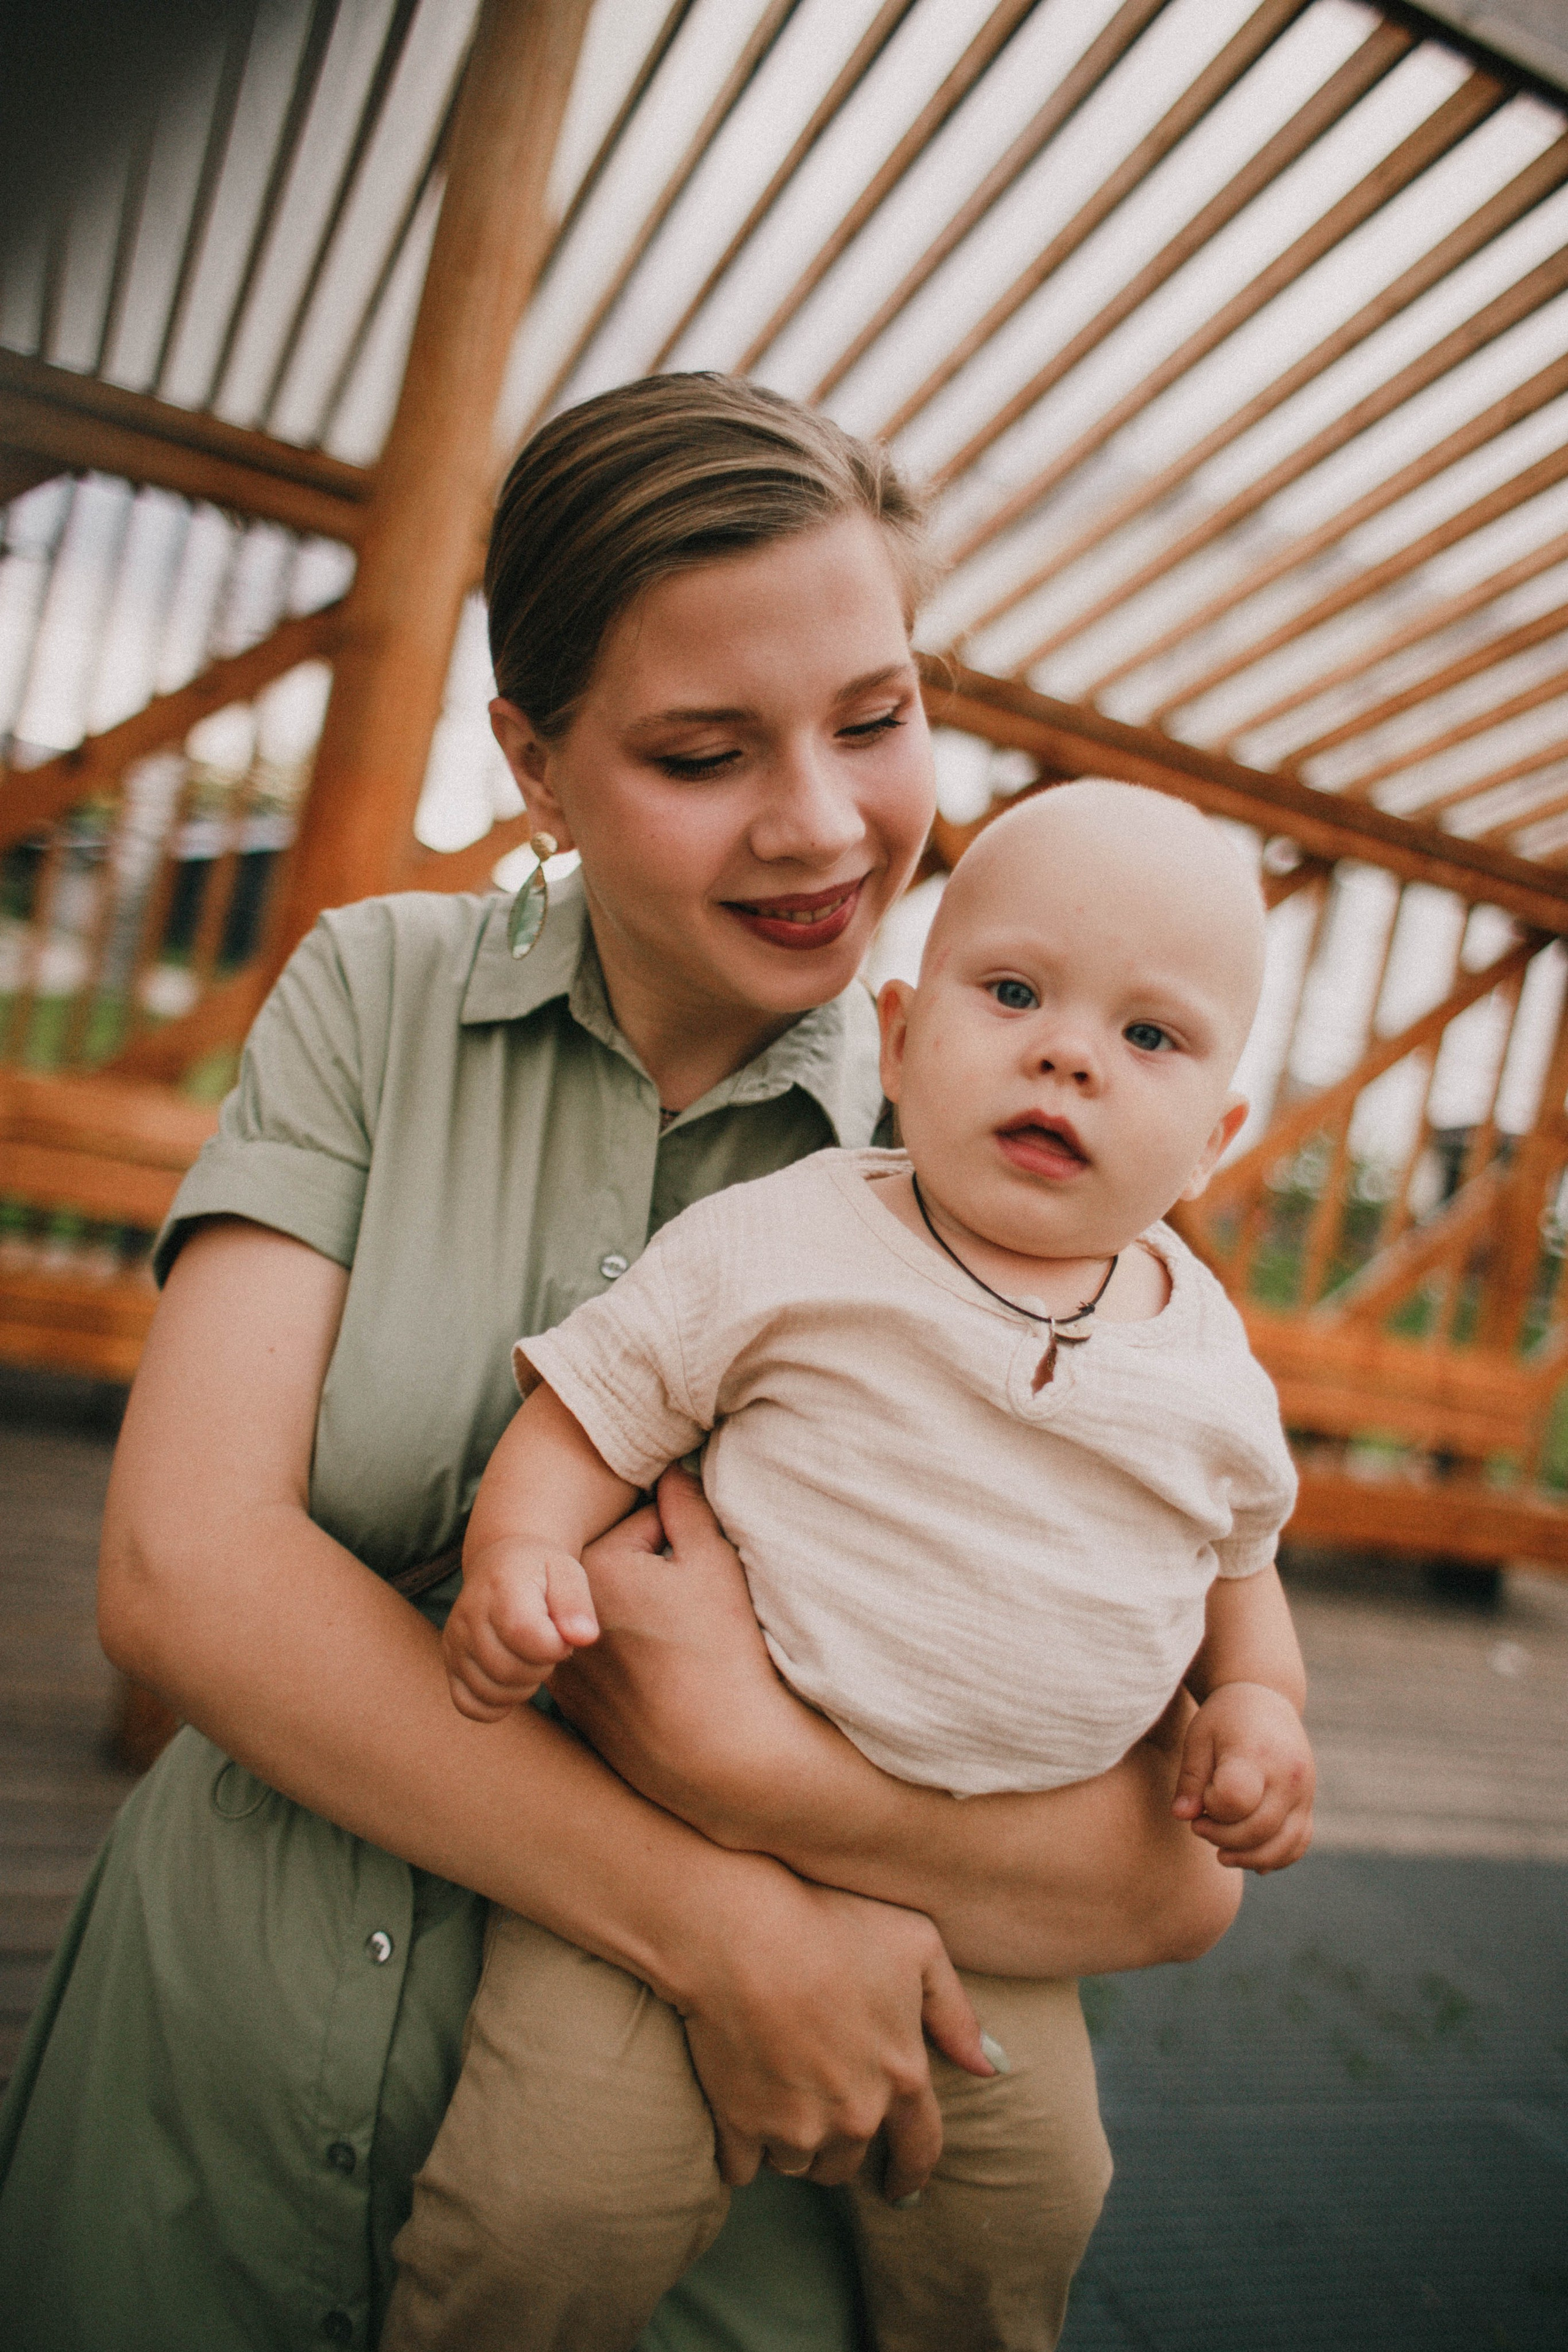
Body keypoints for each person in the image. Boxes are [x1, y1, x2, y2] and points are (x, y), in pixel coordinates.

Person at [0, 376, 1241, 2352]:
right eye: (697, 750)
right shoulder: (376, 994)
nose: (825, 822)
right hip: (200, 2135)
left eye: (878, 714)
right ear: (537, 761)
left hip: (710, 2242)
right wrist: (724, 1912)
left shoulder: (1023, 1168)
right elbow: (178, 1578)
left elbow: (1163, 1886)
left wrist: (745, 1760)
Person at [384, 783, 1316, 2352]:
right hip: (674, 1848)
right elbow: (592, 1408)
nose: (1066, 1055)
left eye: (1148, 1040)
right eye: (1010, 994)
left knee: (1033, 2210)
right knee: (555, 2205)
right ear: (898, 1037)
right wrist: (519, 1551)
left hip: (1000, 1907)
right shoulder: (798, 1241)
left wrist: (1264, 1711)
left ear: (1215, 1138)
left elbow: (1239, 1576)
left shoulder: (1207, 1360)